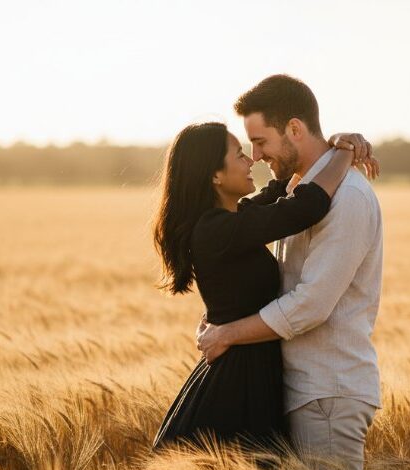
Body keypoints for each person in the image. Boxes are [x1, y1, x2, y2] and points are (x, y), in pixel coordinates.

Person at [197, 75, 384, 470]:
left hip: (328, 392)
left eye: (261, 141)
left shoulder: (347, 197)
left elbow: (311, 304)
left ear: (294, 129)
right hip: (301, 390)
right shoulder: (299, 192)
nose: (256, 155)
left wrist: (228, 333)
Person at [151, 120, 377, 451]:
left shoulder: (228, 221)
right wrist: (344, 153)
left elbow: (283, 187)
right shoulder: (216, 229)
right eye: (240, 154)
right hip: (239, 380)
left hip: (251, 371)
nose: (251, 160)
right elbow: (306, 206)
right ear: (214, 175)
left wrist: (332, 144)